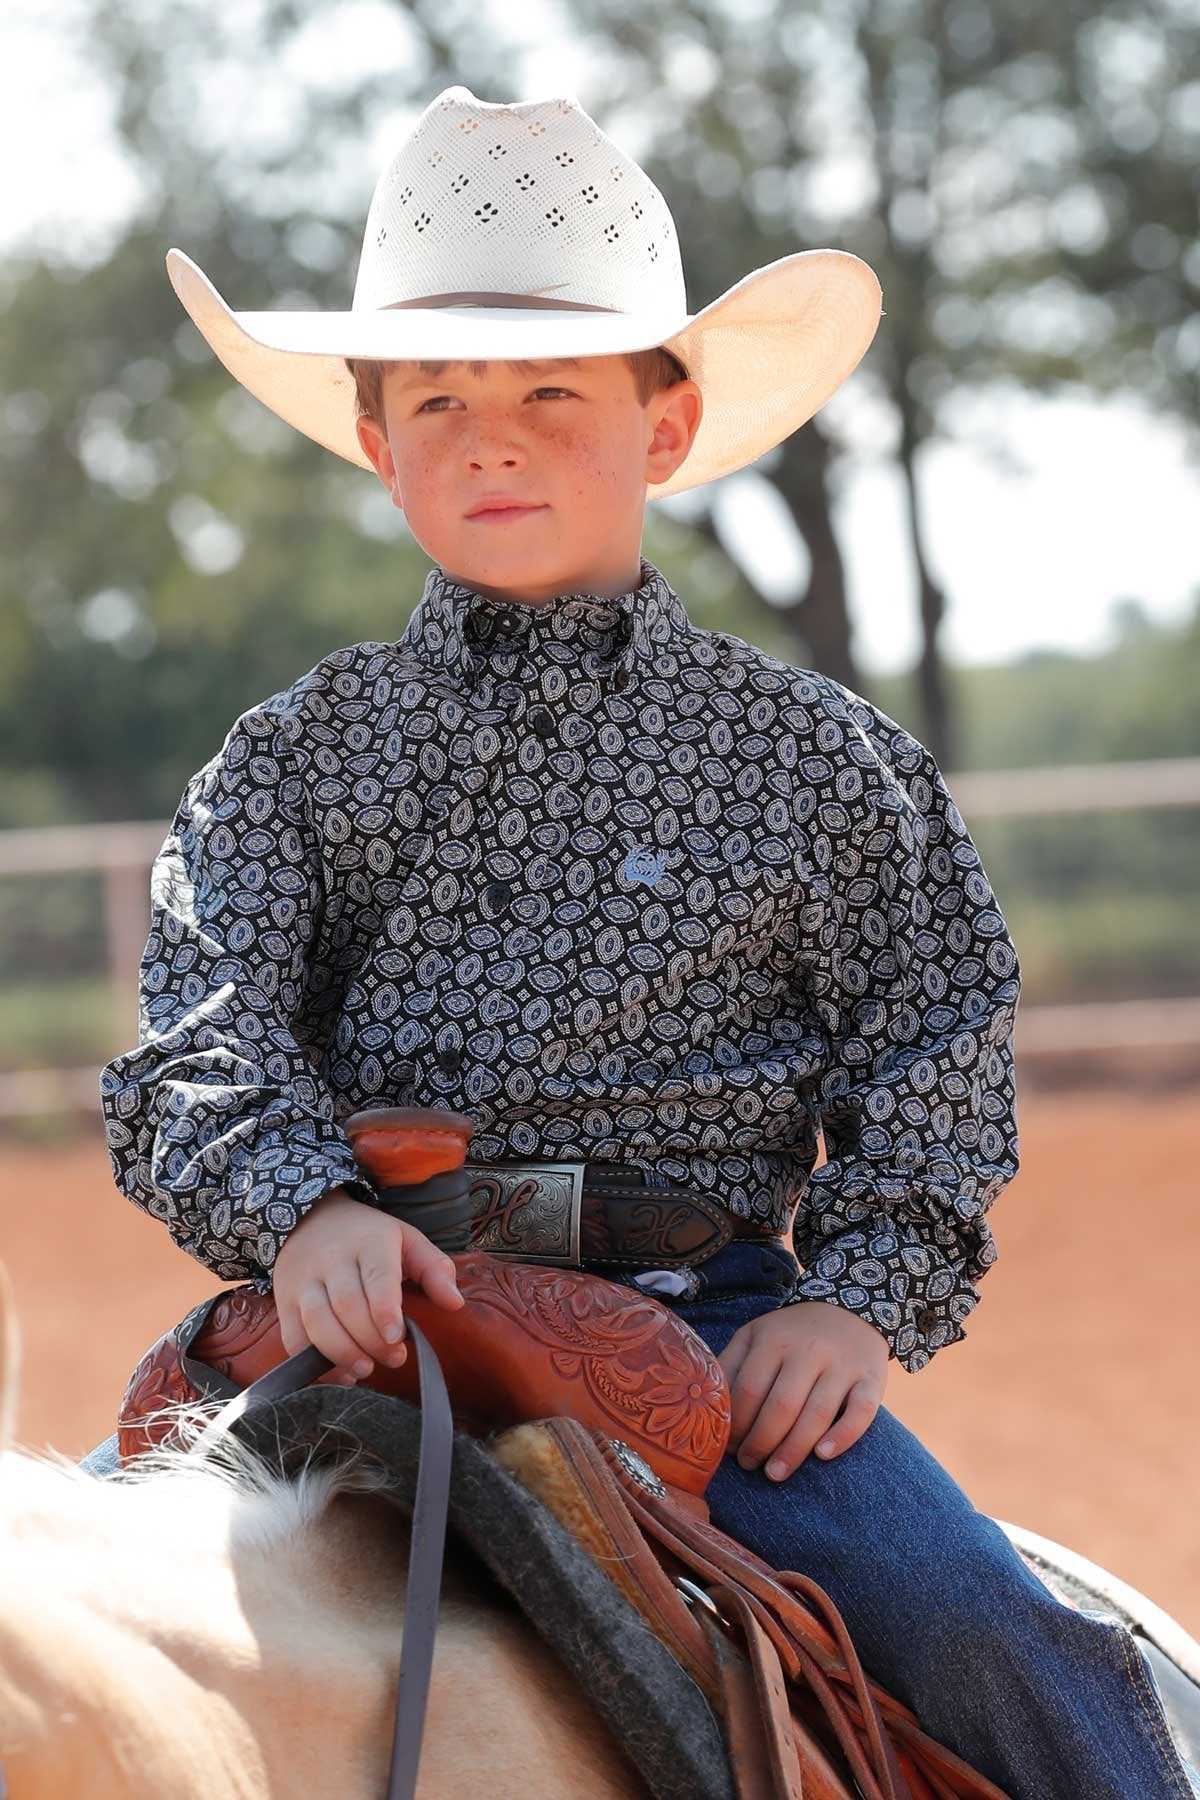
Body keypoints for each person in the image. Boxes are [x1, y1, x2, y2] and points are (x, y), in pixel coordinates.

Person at [84, 86, 1195, 1799]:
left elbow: (938, 1039)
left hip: (703, 1337)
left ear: (665, 425)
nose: (492, 438)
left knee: (983, 1637)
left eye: (550, 392)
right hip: (367, 1302)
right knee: (81, 1640)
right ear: (377, 442)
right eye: (437, 399)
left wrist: (859, 1308)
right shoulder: (295, 762)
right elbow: (198, 1035)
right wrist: (294, 1205)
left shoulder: (812, 759)